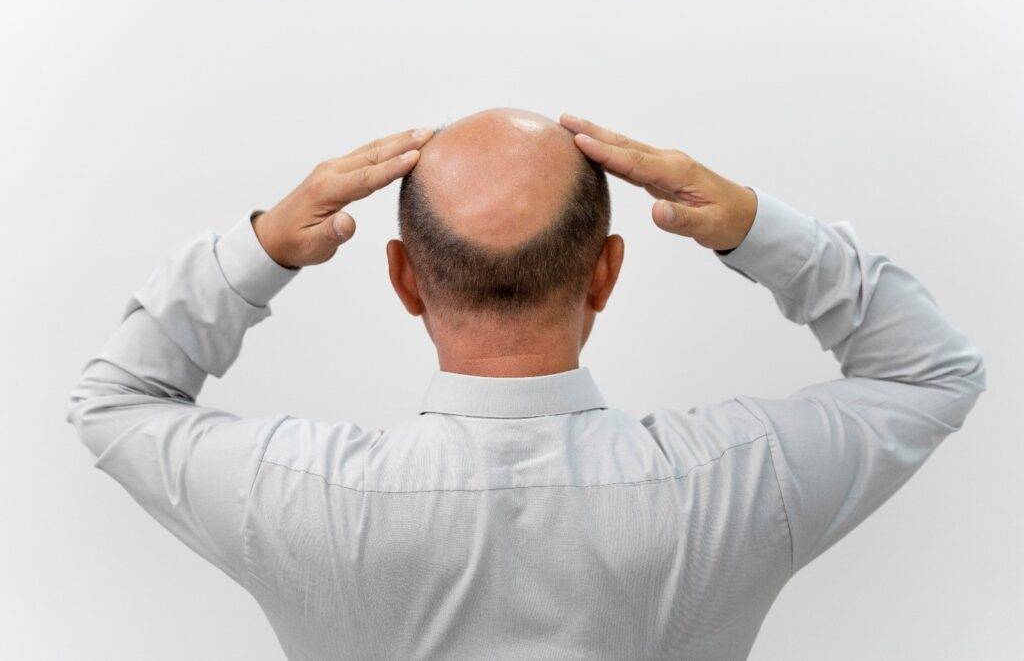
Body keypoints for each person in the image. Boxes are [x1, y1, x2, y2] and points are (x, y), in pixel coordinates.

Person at [67, 108, 985, 660]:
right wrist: (748, 223)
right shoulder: (739, 480)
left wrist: (259, 247)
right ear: (606, 273)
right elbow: (931, 370)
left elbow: (114, 400)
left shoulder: (300, 493)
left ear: (403, 278)